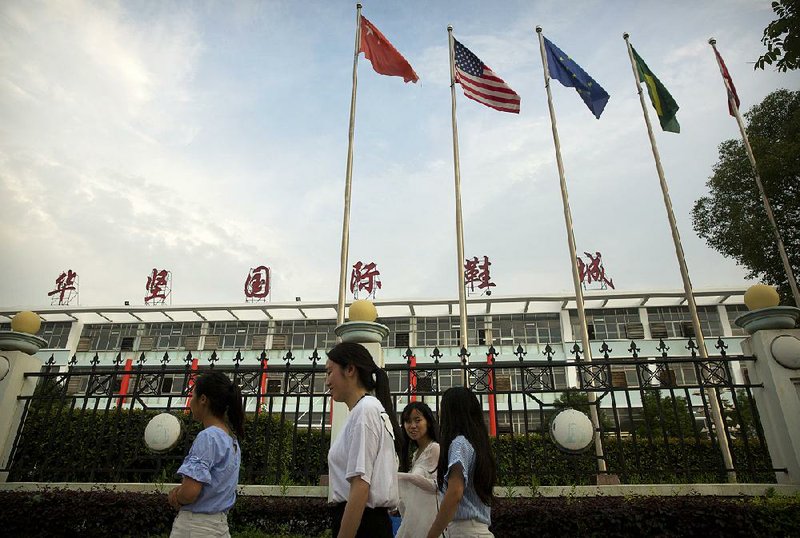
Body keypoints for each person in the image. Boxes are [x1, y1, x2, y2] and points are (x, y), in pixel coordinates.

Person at [326, 342, 400, 538]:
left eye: (329, 372)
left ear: (350, 369)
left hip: (363, 525)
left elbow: (360, 485)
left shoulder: (365, 410)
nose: (327, 381)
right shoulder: (365, 410)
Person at [167, 371, 245, 538]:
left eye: (193, 394)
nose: (190, 401)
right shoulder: (231, 440)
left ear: (203, 399)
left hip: (194, 528)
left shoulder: (208, 437)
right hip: (219, 527)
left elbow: (190, 493)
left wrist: (176, 496)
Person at [426, 387, 496, 538]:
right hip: (478, 530)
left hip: (464, 531)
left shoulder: (459, 444)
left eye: (442, 407)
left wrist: (432, 534)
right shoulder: (477, 444)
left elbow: (455, 493)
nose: (439, 413)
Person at [396, 401, 440, 538]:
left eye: (418, 420)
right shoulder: (416, 454)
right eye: (408, 421)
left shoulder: (435, 448)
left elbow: (438, 486)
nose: (412, 426)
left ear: (429, 422)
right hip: (415, 520)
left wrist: (404, 477)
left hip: (430, 521)